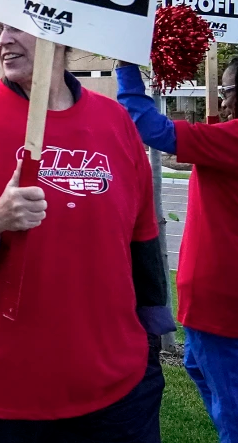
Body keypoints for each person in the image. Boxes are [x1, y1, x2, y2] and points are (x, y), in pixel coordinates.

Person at [0, 22, 174, 442]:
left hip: (116, 388)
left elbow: (142, 237)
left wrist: (149, 342)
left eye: (17, 26)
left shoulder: (115, 123)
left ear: (62, 32)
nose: (2, 40)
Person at [116, 58, 238, 441]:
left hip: (220, 305)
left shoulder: (231, 141)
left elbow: (148, 125)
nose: (223, 97)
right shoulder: (225, 141)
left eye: (227, 89)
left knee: (231, 408)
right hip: (218, 300)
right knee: (200, 369)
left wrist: (125, 67)